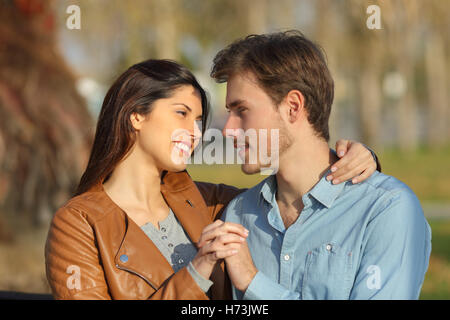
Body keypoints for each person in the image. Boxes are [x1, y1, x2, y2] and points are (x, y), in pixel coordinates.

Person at [45, 59, 379, 300]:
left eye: (200, 120)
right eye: (181, 113)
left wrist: (356, 160)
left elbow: (294, 193)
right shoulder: (79, 224)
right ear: (136, 115)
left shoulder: (212, 202)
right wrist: (197, 269)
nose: (195, 132)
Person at [210, 30, 432, 300]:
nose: (228, 129)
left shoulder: (387, 209)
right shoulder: (238, 215)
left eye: (241, 110)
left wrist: (253, 283)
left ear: (293, 107)